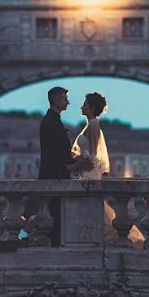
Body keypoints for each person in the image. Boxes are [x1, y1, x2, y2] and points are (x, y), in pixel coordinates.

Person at [70, 92, 144, 245]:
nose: (81, 107)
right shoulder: (91, 125)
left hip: (89, 172)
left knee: (94, 207)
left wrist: (79, 161)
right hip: (86, 172)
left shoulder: (93, 125)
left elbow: (92, 154)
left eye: (85, 104)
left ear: (91, 108)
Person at [32, 86, 94, 245]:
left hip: (56, 178)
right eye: (65, 99)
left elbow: (60, 155)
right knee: (55, 226)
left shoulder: (53, 121)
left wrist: (76, 161)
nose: (68, 102)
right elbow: (54, 158)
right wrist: (78, 163)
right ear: (56, 100)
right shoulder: (50, 123)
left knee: (57, 226)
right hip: (54, 180)